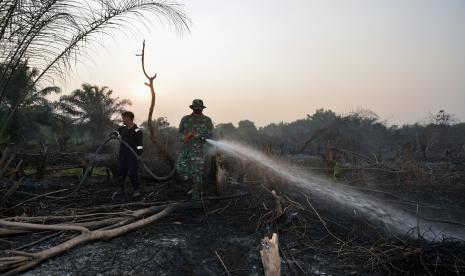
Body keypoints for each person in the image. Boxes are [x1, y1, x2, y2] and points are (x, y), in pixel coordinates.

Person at [177, 99, 213, 199]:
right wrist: (184, 137)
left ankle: (196, 197)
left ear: (202, 108)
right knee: (180, 168)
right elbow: (179, 133)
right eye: (196, 108)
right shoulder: (185, 119)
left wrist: (200, 135)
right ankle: (194, 186)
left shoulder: (207, 120)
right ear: (192, 108)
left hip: (199, 151)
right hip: (186, 149)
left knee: (197, 173)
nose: (198, 110)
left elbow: (210, 134)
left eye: (199, 108)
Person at [110, 111, 143, 198]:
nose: (122, 120)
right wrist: (114, 134)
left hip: (133, 156)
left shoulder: (137, 131)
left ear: (129, 118)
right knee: (121, 172)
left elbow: (140, 145)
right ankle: (120, 190)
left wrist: (139, 155)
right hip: (122, 155)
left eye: (123, 118)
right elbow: (117, 132)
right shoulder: (123, 128)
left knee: (133, 173)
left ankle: (136, 190)